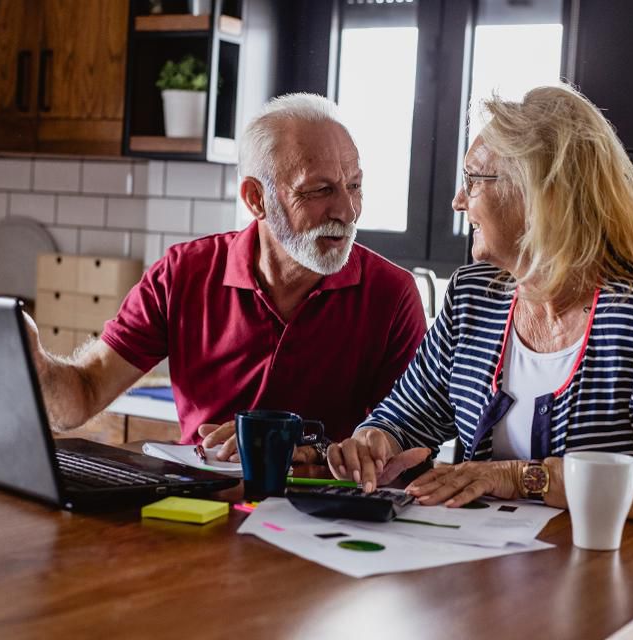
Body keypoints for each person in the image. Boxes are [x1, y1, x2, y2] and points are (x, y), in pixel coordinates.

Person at [328, 85, 633, 528]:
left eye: (474, 180)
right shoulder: (474, 295)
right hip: (479, 573)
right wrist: (374, 441)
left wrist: (521, 478)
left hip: (601, 579)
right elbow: (405, 417)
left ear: (538, 193)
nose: (458, 201)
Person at [27, 93, 426, 464]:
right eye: (320, 190)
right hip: (196, 510)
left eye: (354, 186)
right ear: (256, 198)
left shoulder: (391, 293)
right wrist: (37, 365)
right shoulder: (183, 272)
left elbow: (412, 440)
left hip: (321, 519)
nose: (348, 211)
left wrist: (311, 451)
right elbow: (86, 391)